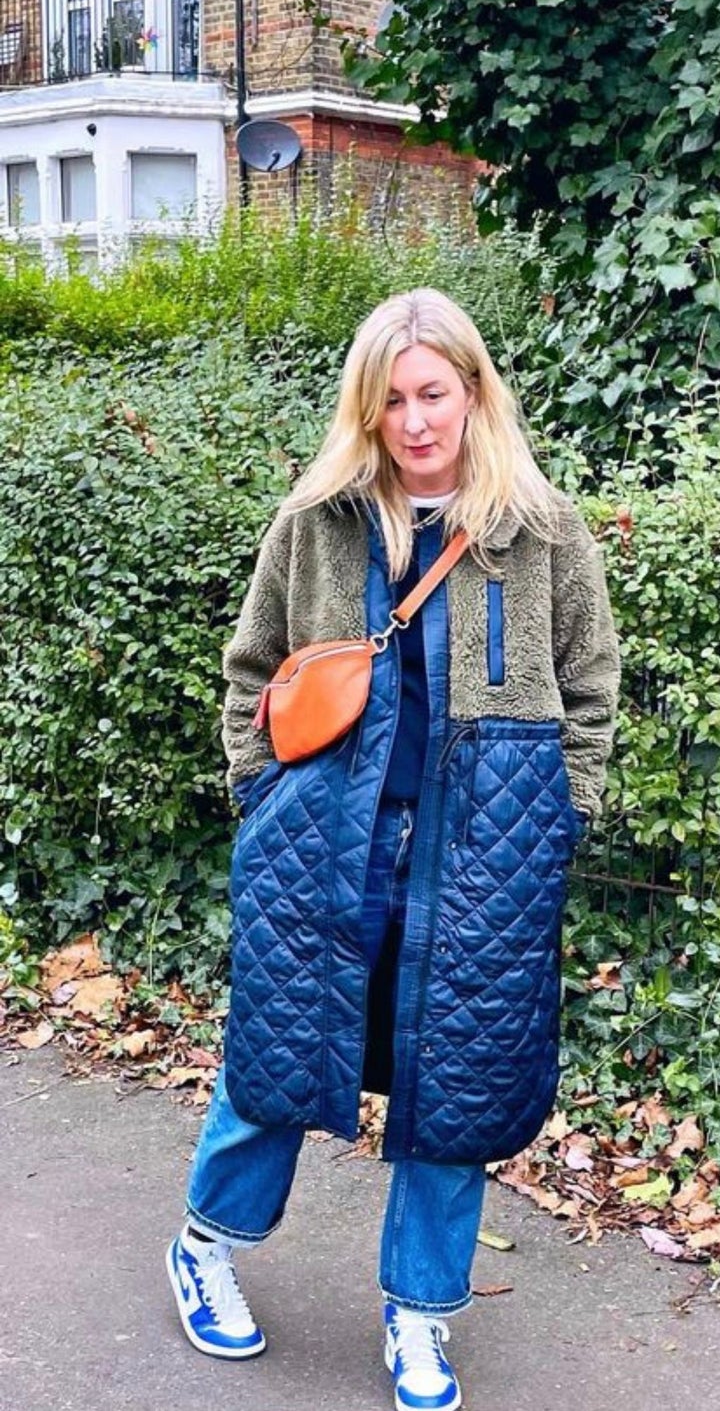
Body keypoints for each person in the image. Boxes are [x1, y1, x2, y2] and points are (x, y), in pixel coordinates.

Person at [165, 287, 621, 1411]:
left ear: (473, 392)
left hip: (483, 856)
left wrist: (562, 815)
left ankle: (420, 1318)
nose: (414, 422)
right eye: (391, 402)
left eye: (433, 393)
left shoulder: (543, 530)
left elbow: (592, 686)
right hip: (322, 842)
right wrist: (259, 790)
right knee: (276, 1057)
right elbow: (249, 667)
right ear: (364, 411)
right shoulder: (314, 520)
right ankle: (205, 1243)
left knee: (456, 1088)